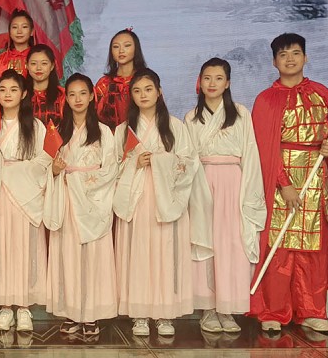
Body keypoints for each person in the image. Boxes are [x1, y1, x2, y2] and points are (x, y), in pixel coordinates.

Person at [250, 33, 328, 334]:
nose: (289, 59)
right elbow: (264, 148)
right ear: (274, 62)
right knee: (279, 248)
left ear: (305, 57)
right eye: (283, 54)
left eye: (295, 53)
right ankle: (274, 310)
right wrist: (284, 184)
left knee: (312, 248)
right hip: (280, 179)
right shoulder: (266, 99)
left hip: (316, 177)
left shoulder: (322, 94)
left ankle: (312, 311)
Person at [112, 69, 206, 338]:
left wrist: (160, 160)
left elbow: (189, 162)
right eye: (137, 91)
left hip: (165, 199)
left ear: (159, 92)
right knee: (139, 253)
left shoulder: (175, 127)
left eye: (148, 89)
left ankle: (165, 313)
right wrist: (134, 162)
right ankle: (139, 314)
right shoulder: (123, 130)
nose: (143, 95)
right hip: (137, 197)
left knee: (165, 253)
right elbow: (113, 167)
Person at [184, 58, 265, 334]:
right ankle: (207, 308)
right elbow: (188, 157)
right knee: (206, 240)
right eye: (207, 78)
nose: (212, 83)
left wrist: (250, 192)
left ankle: (228, 308)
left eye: (219, 78)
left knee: (231, 243)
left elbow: (251, 154)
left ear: (227, 83)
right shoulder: (191, 117)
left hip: (233, 182)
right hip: (202, 182)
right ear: (200, 81)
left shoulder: (241, 113)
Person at [42, 74, 118, 338]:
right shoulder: (57, 131)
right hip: (66, 198)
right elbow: (46, 166)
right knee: (68, 255)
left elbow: (111, 169)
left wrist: (80, 181)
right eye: (72, 94)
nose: (77, 99)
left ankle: (92, 313)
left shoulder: (104, 132)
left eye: (83, 93)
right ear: (66, 98)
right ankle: (72, 311)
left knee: (93, 256)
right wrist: (54, 170)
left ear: (92, 96)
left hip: (93, 200)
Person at [0, 71, 50, 334]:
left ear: (24, 94)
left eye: (13, 89)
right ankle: (4, 306)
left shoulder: (36, 127)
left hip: (25, 195)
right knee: (1, 247)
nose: (7, 94)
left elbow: (44, 160)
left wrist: (16, 171)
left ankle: (24, 307)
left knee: (25, 247)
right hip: (0, 194)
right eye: (2, 89)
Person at [94, 28, 146, 128]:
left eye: (127, 45)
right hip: (109, 136)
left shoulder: (145, 80)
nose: (121, 51)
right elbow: (94, 116)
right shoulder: (103, 84)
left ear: (136, 49)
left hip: (142, 134)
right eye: (116, 47)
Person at [26, 44, 64, 130]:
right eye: (33, 63)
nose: (38, 68)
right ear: (27, 66)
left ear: (52, 66)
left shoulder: (62, 95)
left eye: (44, 63)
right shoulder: (20, 95)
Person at [0, 10, 34, 78]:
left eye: (24, 27)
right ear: (9, 31)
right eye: (15, 27)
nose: (19, 31)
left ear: (32, 31)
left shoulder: (38, 57)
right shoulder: (0, 58)